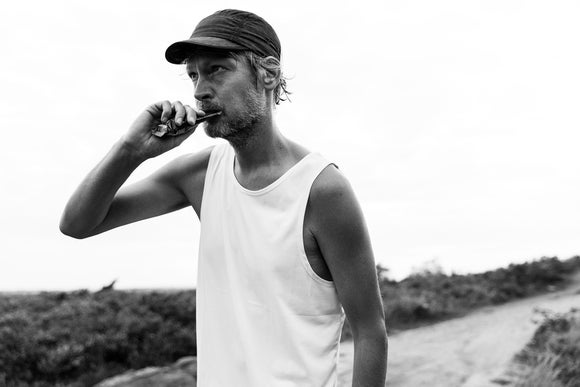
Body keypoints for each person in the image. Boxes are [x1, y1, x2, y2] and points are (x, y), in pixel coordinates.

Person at [60, 9, 387, 387]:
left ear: (267, 73)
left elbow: (370, 330)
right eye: (194, 75)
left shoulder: (322, 189)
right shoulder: (197, 175)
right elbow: (77, 224)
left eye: (216, 69)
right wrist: (131, 150)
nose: (199, 90)